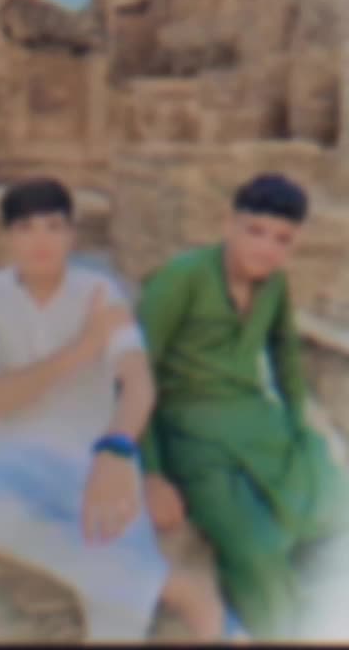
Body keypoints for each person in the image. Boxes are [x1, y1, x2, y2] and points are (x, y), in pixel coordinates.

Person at [0, 177, 225, 642]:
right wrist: (83, 347)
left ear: (72, 234)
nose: (40, 240)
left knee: (117, 622)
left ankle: (188, 601)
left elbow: (137, 381)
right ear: (7, 237)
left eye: (53, 226)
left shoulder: (99, 290)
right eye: (25, 228)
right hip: (10, 463)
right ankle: (174, 588)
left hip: (91, 462)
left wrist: (117, 447)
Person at [138, 174, 349, 640]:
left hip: (257, 424)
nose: (266, 248)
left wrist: (298, 420)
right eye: (255, 231)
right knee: (256, 550)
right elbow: (133, 374)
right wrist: (150, 473)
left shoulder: (274, 285)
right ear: (228, 224)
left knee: (336, 508)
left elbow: (285, 354)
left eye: (282, 239)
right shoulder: (182, 278)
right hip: (191, 438)